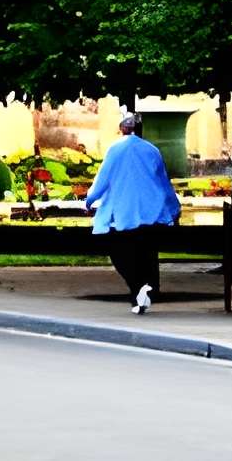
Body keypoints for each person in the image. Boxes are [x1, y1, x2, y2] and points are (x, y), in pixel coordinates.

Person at [85, 111, 181, 312]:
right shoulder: (152, 150)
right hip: (151, 211)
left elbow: (103, 179)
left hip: (123, 213)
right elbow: (163, 182)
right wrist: (173, 208)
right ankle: (145, 290)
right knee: (147, 253)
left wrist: (90, 200)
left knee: (120, 255)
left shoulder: (115, 149)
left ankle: (138, 287)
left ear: (122, 129)